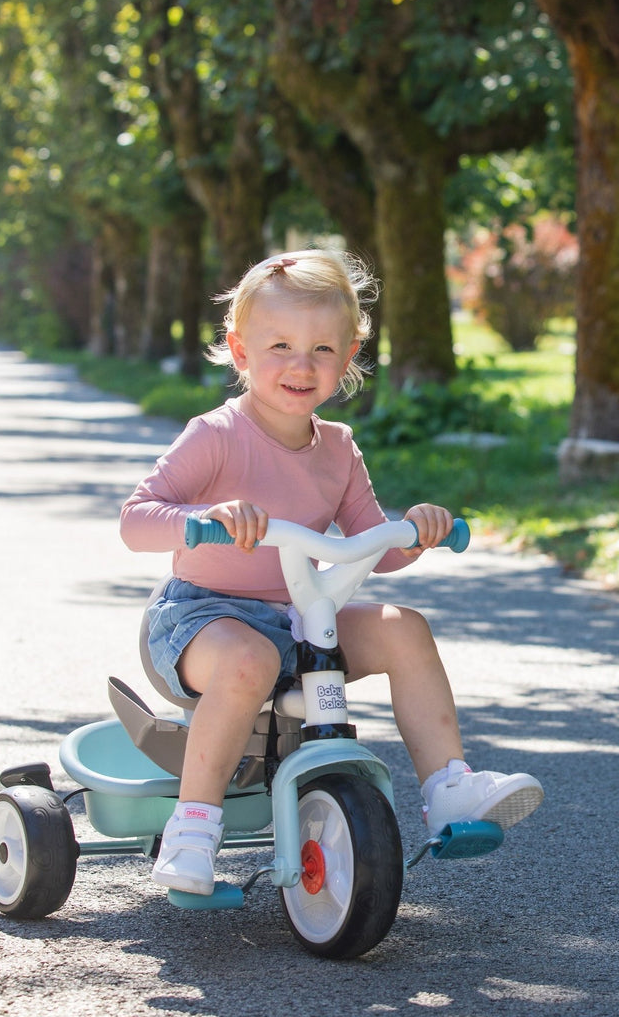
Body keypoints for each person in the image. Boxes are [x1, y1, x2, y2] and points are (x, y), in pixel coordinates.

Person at [119, 249, 543, 896]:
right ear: (240, 351)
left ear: (347, 361)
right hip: (200, 620)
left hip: (299, 616)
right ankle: (194, 825)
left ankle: (450, 787)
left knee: (405, 628)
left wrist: (417, 529)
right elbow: (135, 519)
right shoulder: (216, 436)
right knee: (248, 661)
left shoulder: (339, 447)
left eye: (322, 349)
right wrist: (204, 516)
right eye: (281, 345)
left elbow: (378, 547)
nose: (301, 364)